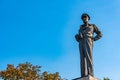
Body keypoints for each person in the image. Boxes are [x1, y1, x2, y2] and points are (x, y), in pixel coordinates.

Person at [75, 13, 102, 77]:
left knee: (89, 57)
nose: (84, 18)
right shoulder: (80, 28)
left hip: (88, 40)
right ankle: (83, 75)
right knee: (82, 59)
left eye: (85, 17)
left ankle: (91, 74)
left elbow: (100, 34)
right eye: (83, 18)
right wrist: (77, 37)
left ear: (88, 18)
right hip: (81, 42)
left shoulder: (92, 26)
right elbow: (78, 38)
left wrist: (94, 39)